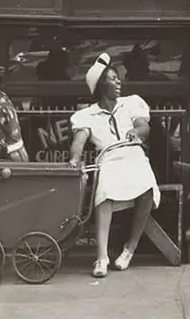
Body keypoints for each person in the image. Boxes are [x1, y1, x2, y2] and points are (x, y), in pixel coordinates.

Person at [68, 53, 160, 278]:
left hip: (133, 154)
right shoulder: (86, 115)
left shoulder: (132, 103)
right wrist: (74, 159)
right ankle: (102, 257)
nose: (118, 82)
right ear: (101, 86)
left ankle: (130, 248)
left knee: (148, 188)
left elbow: (144, 128)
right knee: (105, 192)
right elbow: (78, 143)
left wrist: (135, 132)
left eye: (118, 78)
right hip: (108, 159)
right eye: (112, 78)